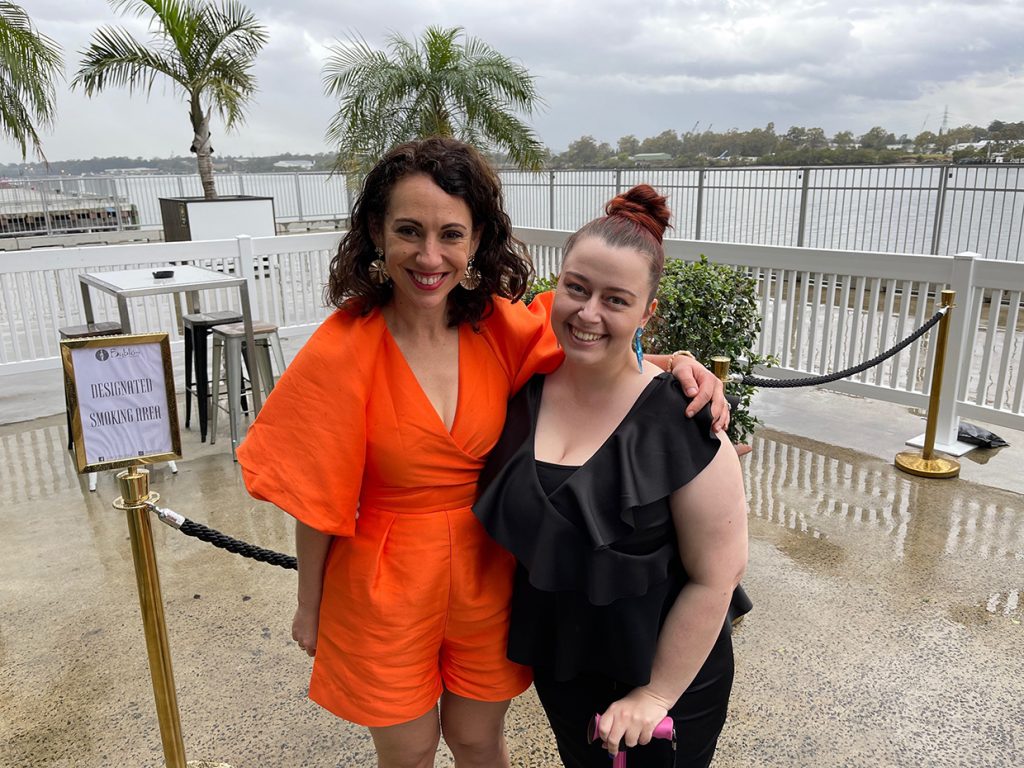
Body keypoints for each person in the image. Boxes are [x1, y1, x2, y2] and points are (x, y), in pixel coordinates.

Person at [236, 139, 729, 768]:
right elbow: (316, 495)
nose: (429, 256)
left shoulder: (496, 325)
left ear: (476, 242)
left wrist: (673, 366)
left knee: (476, 740)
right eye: (408, 231)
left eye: (451, 234)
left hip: (486, 569)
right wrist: (310, 604)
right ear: (375, 234)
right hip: (381, 578)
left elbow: (589, 347)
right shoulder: (341, 349)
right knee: (409, 749)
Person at [473, 185, 750, 768]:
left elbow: (717, 575)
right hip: (565, 669)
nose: (588, 313)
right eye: (576, 288)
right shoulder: (520, 389)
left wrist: (655, 695)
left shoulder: (684, 420)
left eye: (615, 299)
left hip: (665, 682)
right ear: (557, 286)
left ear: (647, 312)